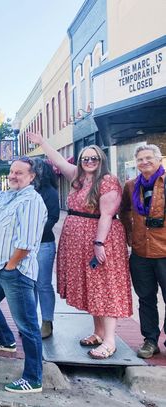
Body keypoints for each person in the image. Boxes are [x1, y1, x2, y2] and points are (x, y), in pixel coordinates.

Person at [28, 132, 132, 360]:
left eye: (94, 158)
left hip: (99, 239)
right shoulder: (78, 177)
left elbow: (106, 215)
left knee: (105, 288)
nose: (89, 162)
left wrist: (99, 243)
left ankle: (110, 341)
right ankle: (98, 332)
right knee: (92, 287)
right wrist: (43, 143)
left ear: (101, 160)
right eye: (85, 159)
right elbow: (58, 161)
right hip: (79, 242)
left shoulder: (107, 181)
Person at [0, 148, 47, 394]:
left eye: (20, 172)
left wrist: (12, 265)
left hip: (15, 271)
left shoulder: (31, 201)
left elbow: (26, 242)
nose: (14, 175)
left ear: (32, 176)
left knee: (27, 326)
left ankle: (33, 378)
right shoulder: (9, 196)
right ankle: (5, 340)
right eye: (12, 171)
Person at [120, 144, 166, 359]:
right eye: (140, 159)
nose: (144, 162)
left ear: (158, 160)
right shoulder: (131, 186)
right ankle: (150, 340)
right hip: (140, 252)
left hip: (165, 250)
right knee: (146, 299)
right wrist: (130, 234)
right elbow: (124, 210)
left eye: (149, 158)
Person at [31, 158, 60, 339]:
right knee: (30, 285)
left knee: (43, 284)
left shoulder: (49, 192)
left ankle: (47, 322)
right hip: (26, 246)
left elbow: (53, 218)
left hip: (43, 244)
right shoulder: (27, 191)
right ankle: (30, 321)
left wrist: (32, 233)